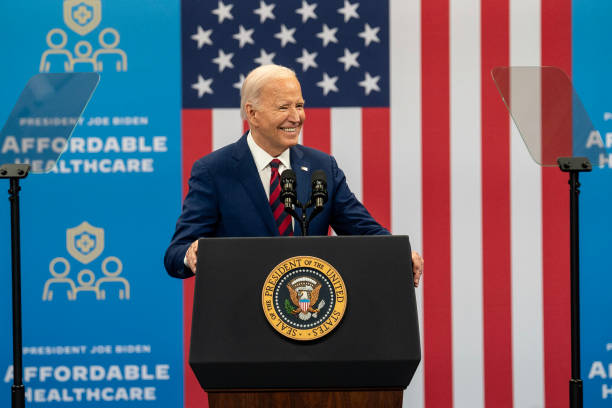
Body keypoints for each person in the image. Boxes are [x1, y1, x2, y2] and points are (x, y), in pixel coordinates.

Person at [164, 64, 423, 285]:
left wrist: (396, 252)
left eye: (299, 105)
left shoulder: (322, 167)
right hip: (241, 320)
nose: (296, 117)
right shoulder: (213, 171)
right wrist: (192, 253)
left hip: (306, 313)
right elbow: (175, 255)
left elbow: (362, 228)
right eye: (283, 107)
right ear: (252, 113)